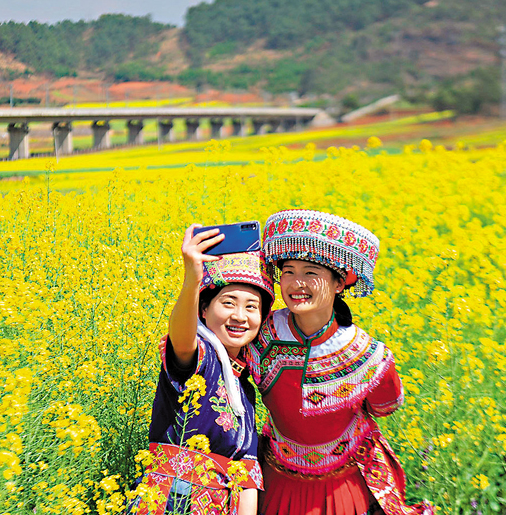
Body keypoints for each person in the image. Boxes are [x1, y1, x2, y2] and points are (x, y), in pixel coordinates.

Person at [247, 209, 434, 515]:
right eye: (288, 272)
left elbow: (385, 405)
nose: (296, 283)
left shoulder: (367, 355)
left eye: (311, 273)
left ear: (340, 283)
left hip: (344, 487)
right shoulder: (261, 333)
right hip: (276, 476)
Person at [128, 225, 274, 515]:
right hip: (168, 502)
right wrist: (192, 280)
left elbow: (247, 472)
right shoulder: (201, 358)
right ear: (204, 310)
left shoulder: (244, 387)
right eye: (228, 303)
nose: (239, 316)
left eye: (251, 307)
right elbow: (182, 341)